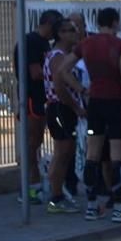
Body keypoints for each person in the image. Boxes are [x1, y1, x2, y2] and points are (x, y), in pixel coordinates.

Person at [61, 7, 121, 222]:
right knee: (118, 156)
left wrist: (81, 89)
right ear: (115, 23)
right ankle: (119, 208)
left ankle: (92, 207)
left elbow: (62, 70)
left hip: (95, 104)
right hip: (115, 103)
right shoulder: (119, 45)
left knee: (93, 155)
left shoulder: (86, 44)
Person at [13, 9, 62, 204]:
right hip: (32, 98)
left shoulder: (43, 43)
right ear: (49, 24)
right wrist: (60, 73)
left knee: (37, 142)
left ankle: (34, 183)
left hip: (42, 98)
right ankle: (29, 187)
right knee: (32, 143)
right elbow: (35, 73)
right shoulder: (30, 42)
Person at [43, 18, 87, 213]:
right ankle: (55, 197)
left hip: (63, 108)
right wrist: (77, 107)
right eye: (70, 30)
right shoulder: (58, 57)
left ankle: (58, 193)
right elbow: (60, 88)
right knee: (61, 153)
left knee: (67, 152)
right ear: (60, 34)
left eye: (75, 29)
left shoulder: (65, 55)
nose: (74, 33)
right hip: (60, 108)